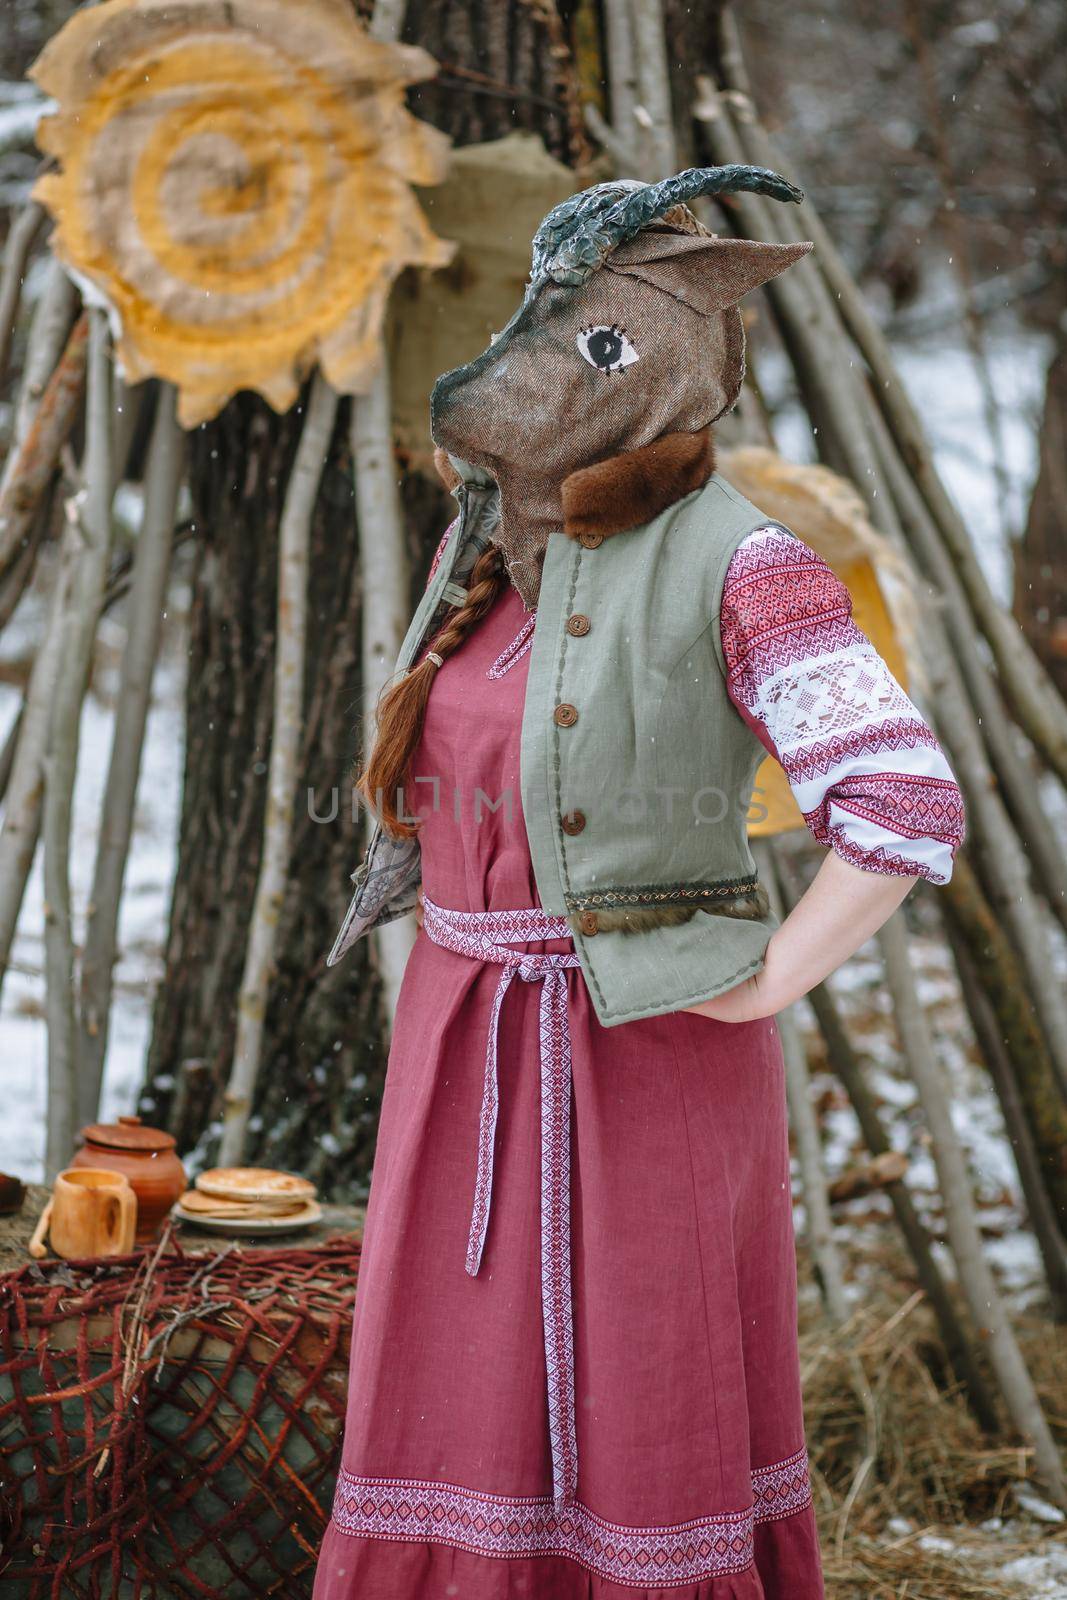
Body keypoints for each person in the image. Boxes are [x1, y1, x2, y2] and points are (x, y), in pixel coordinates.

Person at [312, 166, 964, 1600]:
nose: (538, 371)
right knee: (456, 1394)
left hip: (646, 1054)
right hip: (463, 1038)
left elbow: (905, 801)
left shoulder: (745, 566)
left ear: (655, 372)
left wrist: (772, 978)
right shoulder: (488, 543)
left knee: (641, 1384)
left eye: (594, 346)